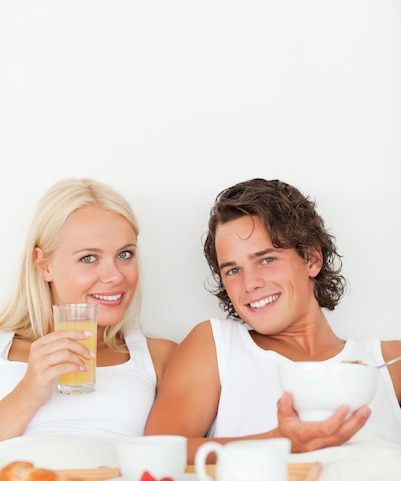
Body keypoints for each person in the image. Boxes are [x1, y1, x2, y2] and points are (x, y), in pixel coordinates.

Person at [145, 178, 401, 463]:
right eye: (232, 270)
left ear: (312, 259)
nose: (250, 283)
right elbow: (155, 454)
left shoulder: (391, 362)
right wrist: (279, 442)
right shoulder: (216, 345)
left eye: (266, 259)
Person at [0, 178, 176, 451]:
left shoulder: (160, 358)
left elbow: (175, 460)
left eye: (125, 254)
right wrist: (27, 393)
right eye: (88, 258)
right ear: (44, 264)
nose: (114, 276)